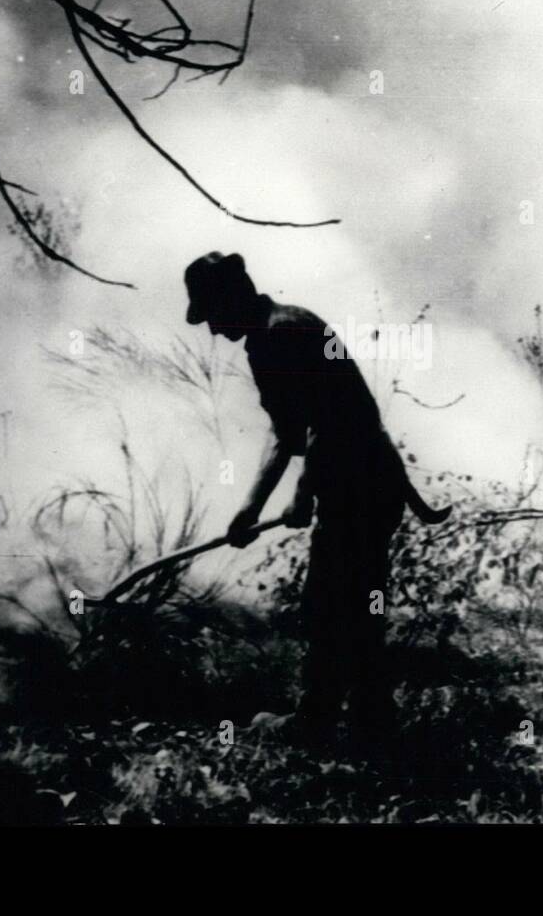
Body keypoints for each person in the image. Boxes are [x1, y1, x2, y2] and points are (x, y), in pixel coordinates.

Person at [183, 252, 449, 745]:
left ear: (230, 298)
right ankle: (372, 716)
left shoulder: (281, 336)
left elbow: (328, 421)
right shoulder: (279, 330)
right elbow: (288, 433)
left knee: (330, 604)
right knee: (354, 602)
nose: (213, 330)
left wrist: (302, 495)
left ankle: (319, 719)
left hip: (357, 487)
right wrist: (251, 507)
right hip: (366, 482)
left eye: (212, 315)